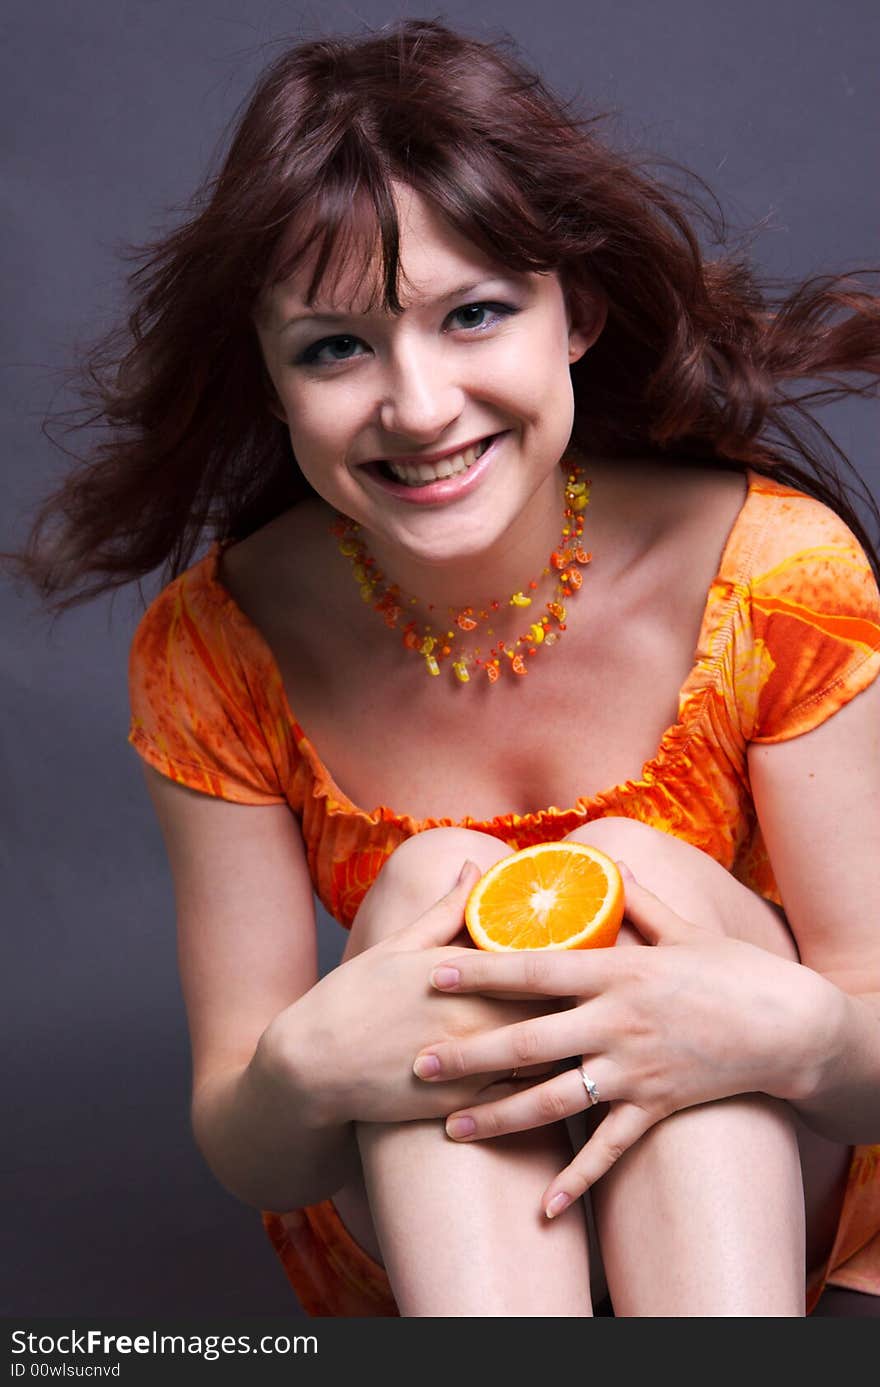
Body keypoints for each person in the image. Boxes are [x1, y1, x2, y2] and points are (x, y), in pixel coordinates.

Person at [10, 18, 880, 1317]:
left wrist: (748, 1023)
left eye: (473, 315)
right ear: (272, 374)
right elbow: (249, 1141)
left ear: (574, 311)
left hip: (781, 1183)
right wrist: (305, 1070)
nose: (417, 407)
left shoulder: (776, 577)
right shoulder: (215, 645)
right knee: (437, 902)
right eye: (335, 347)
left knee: (645, 887)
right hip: (441, 1222)